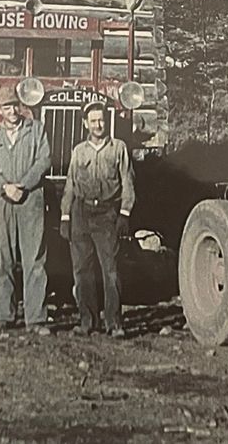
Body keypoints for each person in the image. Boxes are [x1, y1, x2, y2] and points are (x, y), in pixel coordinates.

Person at [61, 100, 135, 337]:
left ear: (107, 121)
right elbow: (70, 185)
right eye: (93, 121)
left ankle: (114, 323)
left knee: (110, 270)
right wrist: (65, 216)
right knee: (82, 269)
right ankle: (87, 321)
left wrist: (124, 214)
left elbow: (128, 183)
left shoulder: (118, 148)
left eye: (101, 120)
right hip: (81, 213)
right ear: (86, 124)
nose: (98, 124)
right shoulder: (78, 151)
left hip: (106, 214)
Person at [0, 88, 51, 332]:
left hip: (30, 199)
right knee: (3, 259)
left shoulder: (36, 129)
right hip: (2, 202)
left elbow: (44, 160)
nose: (12, 111)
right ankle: (4, 315)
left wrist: (24, 185)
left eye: (14, 105)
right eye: (6, 107)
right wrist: (4, 187)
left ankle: (36, 318)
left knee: (34, 259)